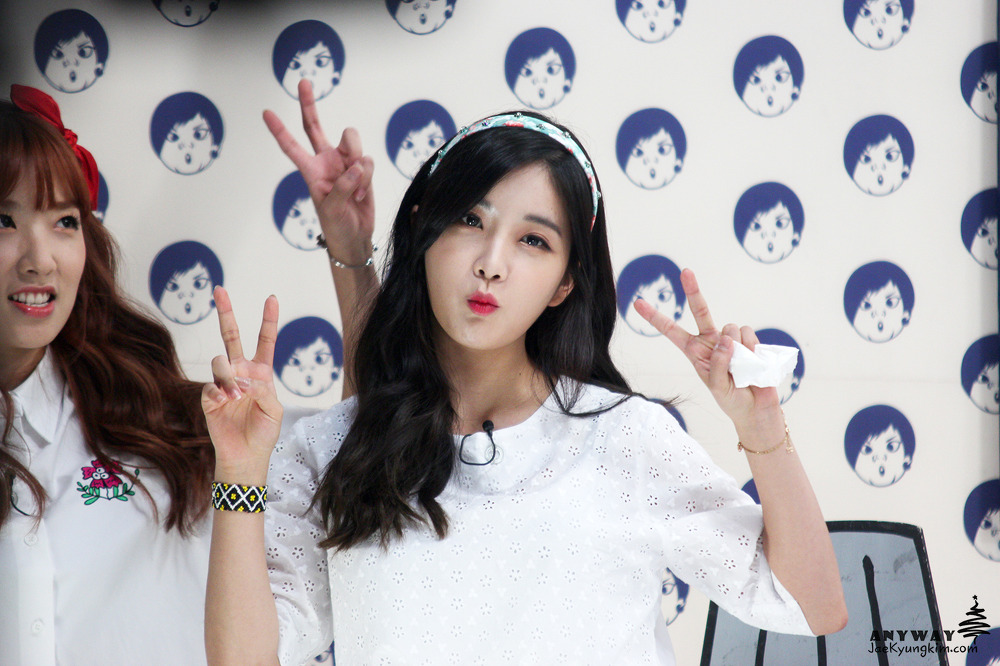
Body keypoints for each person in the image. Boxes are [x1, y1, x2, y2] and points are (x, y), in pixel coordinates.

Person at [203, 82, 846, 664]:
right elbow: (245, 658)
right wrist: (238, 476)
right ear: (424, 231)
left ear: (566, 282)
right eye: (470, 220)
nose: (492, 262)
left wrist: (763, 429)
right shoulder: (331, 446)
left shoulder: (628, 438)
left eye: (533, 240)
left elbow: (813, 608)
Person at [0, 85, 216, 664]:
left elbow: (355, 465)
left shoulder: (164, 424)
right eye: (4, 220)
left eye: (64, 222)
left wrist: (349, 257)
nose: (40, 260)